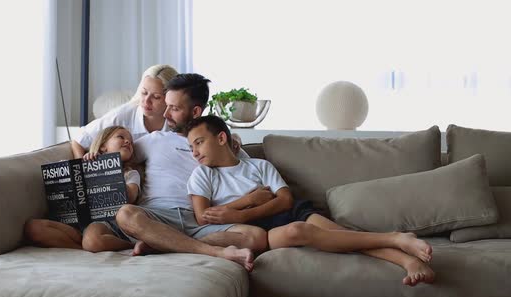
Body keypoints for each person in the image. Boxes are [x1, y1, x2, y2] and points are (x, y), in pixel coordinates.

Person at [185, 115, 436, 286]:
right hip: (259, 229)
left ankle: (407, 259)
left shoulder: (258, 166)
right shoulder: (203, 174)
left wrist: (243, 211)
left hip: (289, 212)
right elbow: (203, 216)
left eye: (199, 143)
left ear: (221, 138)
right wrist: (245, 204)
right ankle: (395, 238)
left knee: (342, 235)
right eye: (191, 147)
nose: (195, 152)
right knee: (299, 231)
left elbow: (284, 200)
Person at [114, 74, 266, 272]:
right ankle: (216, 252)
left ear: (196, 111)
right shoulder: (155, 140)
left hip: (199, 221)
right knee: (125, 214)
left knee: (258, 237)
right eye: (166, 105)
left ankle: (162, 245)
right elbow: (115, 154)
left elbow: (251, 172)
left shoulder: (219, 145)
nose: (166, 113)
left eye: (174, 109)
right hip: (157, 217)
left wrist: (234, 138)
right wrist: (92, 153)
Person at [25, 126, 140, 253]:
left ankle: (131, 245)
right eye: (121, 137)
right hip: (78, 224)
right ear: (102, 146)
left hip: (105, 224)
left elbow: (130, 197)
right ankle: (86, 246)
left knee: (92, 239)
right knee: (33, 228)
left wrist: (103, 171)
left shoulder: (130, 174)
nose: (128, 142)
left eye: (131, 141)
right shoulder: (82, 164)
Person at [71, 64, 179, 158]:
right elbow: (79, 141)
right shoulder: (122, 115)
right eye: (144, 93)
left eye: (156, 97)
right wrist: (82, 173)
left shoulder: (179, 120)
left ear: (171, 98)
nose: (147, 101)